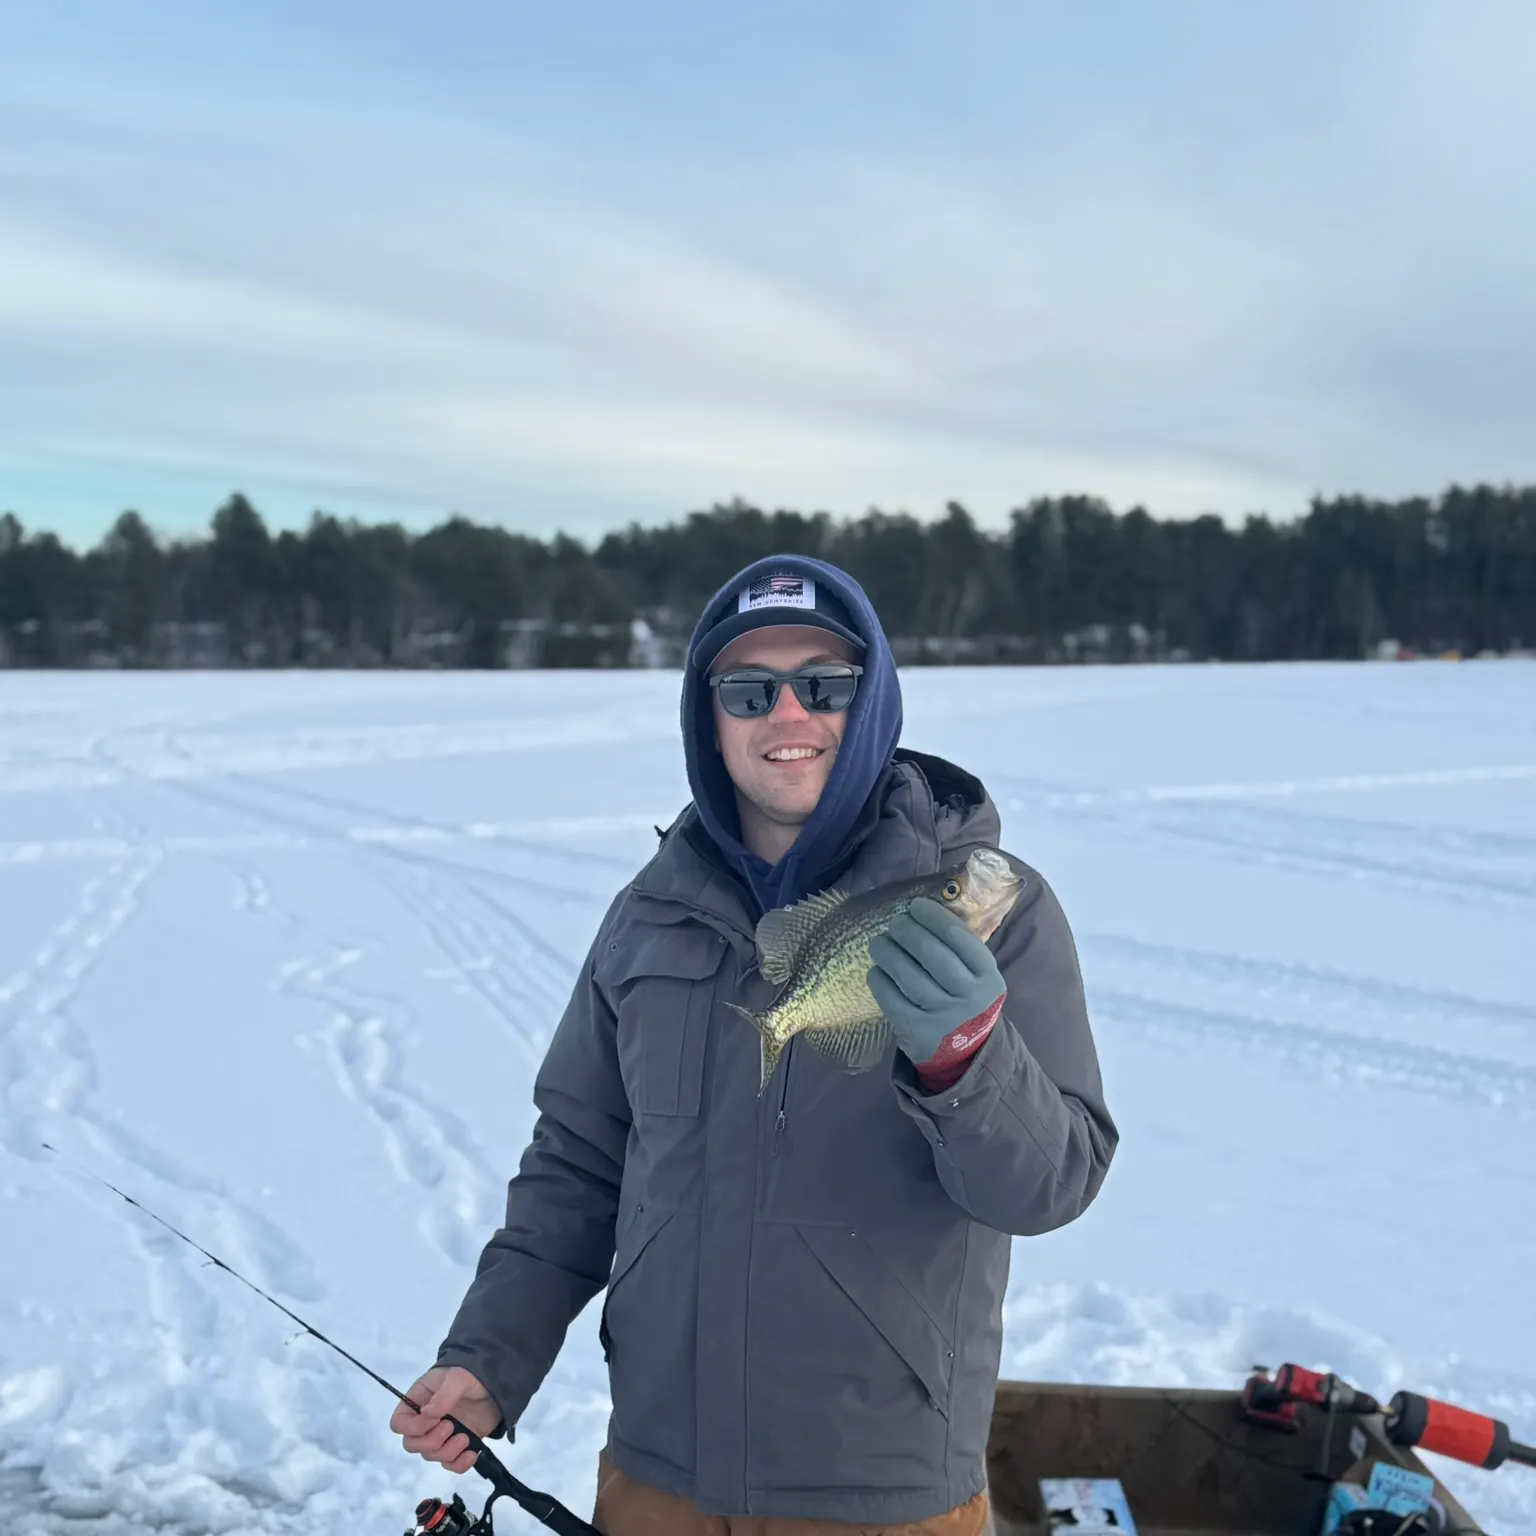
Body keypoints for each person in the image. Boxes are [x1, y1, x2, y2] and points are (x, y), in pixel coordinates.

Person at [390, 554, 1118, 1535]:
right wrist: (489, 1358)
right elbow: (577, 1167)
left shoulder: (995, 905)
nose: (787, 716)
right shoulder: (647, 917)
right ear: (708, 715)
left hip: (881, 1498)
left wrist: (967, 1063)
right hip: (654, 1485)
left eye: (825, 685)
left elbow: (1051, 1186)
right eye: (747, 690)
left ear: (872, 702)